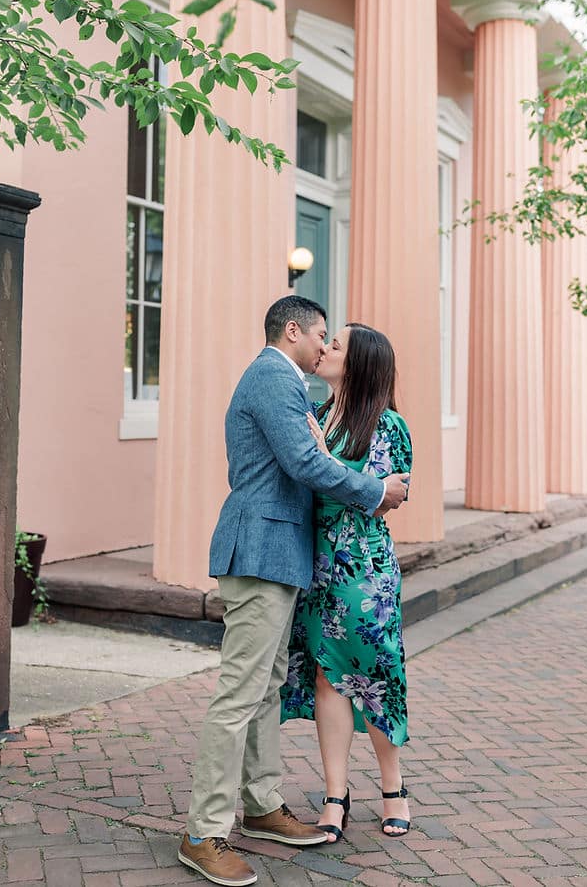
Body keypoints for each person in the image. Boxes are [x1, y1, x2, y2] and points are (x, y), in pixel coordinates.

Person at [178, 297, 410, 887]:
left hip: (282, 556)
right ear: (293, 331)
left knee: (266, 689)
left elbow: (315, 456)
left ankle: (259, 806)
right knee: (240, 693)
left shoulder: (299, 392)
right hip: (260, 550)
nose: (325, 346)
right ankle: (204, 832)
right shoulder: (273, 379)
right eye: (322, 335)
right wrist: (375, 489)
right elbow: (306, 463)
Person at [281, 323, 412, 844]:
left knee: (376, 675)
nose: (325, 349)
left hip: (365, 571)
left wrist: (324, 461)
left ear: (357, 364)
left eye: (336, 345)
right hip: (316, 568)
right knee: (326, 679)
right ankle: (336, 794)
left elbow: (386, 497)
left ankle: (393, 788)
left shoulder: (388, 425)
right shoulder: (314, 416)